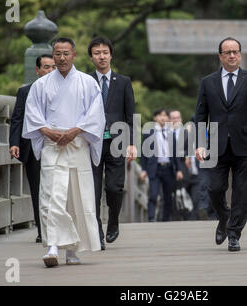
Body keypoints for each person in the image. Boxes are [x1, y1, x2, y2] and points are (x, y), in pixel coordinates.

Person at [22, 37, 105, 267]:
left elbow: (96, 115)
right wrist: (49, 132)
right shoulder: (41, 85)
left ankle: (72, 249)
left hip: (77, 144)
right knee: (51, 196)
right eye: (57, 53)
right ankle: (52, 247)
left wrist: (75, 131)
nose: (61, 58)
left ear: (74, 55)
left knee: (75, 197)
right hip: (52, 146)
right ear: (53, 55)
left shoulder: (88, 83)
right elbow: (33, 115)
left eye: (66, 53)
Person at [195, 37, 247, 252]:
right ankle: (224, 217)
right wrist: (200, 143)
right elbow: (200, 115)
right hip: (216, 145)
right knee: (215, 189)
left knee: (241, 191)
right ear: (220, 56)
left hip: (244, 144)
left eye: (235, 51)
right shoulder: (208, 82)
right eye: (227, 52)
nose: (232, 55)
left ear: (241, 55)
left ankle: (234, 233)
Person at [88, 36, 136, 250]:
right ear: (91, 57)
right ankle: (96, 232)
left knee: (115, 188)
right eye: (97, 53)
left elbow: (130, 114)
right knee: (93, 191)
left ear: (111, 55)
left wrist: (132, 143)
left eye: (105, 52)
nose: (102, 56)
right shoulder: (85, 81)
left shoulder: (124, 82)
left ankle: (114, 221)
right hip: (92, 144)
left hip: (117, 142)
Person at [9, 54, 56, 243]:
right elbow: (17, 118)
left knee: (57, 188)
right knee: (38, 189)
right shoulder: (25, 91)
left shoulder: (65, 89)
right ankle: (42, 230)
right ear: (37, 70)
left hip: (57, 145)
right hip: (32, 147)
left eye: (53, 67)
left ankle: (58, 229)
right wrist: (14, 142)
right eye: (46, 67)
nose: (50, 71)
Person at [140, 108, 183, 222]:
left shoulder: (171, 133)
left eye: (165, 115)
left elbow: (175, 153)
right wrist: (143, 170)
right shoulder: (148, 133)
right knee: (153, 194)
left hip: (168, 168)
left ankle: (165, 218)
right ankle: (151, 217)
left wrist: (179, 169)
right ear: (155, 118)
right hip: (155, 168)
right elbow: (144, 153)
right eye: (160, 115)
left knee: (168, 196)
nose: (163, 118)